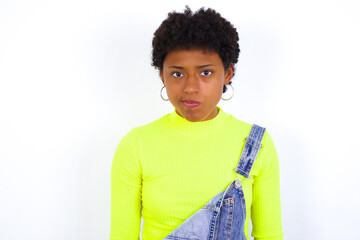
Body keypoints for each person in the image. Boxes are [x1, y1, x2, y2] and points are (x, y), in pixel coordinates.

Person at [110, 6, 283, 240]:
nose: (190, 87)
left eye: (206, 73)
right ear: (162, 75)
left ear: (228, 73)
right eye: (177, 74)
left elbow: (270, 235)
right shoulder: (135, 146)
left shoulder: (256, 145)